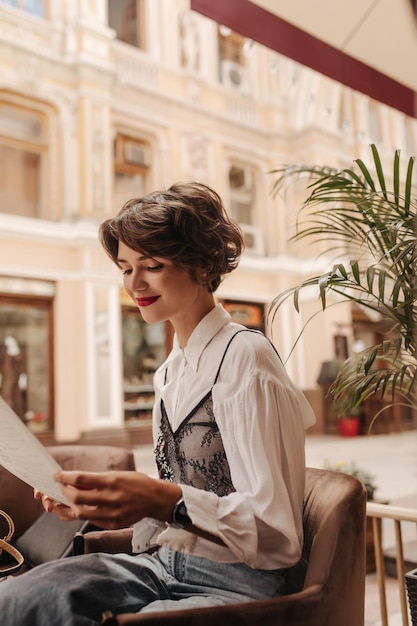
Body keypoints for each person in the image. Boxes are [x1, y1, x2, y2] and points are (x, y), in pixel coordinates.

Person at [0, 181, 315, 624]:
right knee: (18, 598)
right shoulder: (170, 371)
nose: (135, 283)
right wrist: (97, 505)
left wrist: (163, 500)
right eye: (126, 268)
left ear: (203, 266)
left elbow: (279, 536)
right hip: (163, 563)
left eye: (151, 265)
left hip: (241, 585)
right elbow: (180, 497)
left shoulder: (247, 356)